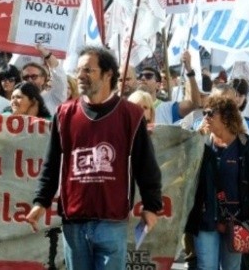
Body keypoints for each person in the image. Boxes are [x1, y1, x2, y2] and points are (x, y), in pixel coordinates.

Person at [26, 46, 162, 270]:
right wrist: (41, 201)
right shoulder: (64, 113)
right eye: (79, 70)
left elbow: (145, 165)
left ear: (108, 74)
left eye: (88, 70)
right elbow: (52, 164)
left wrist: (151, 205)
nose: (80, 76)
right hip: (74, 220)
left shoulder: (131, 115)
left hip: (112, 220)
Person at [184, 95, 249, 270]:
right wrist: (199, 139)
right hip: (205, 218)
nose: (206, 118)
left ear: (226, 117)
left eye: (210, 113)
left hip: (237, 219)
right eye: (204, 113)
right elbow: (186, 174)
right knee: (206, 266)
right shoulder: (201, 143)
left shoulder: (245, 146)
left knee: (232, 267)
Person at [137, 50, 201, 125]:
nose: (143, 78)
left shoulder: (169, 109)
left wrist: (189, 71)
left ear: (158, 85)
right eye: (140, 76)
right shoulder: (128, 108)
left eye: (148, 76)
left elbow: (194, 104)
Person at [20, 44, 68, 115]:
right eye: (26, 78)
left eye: (34, 77)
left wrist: (46, 53)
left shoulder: (54, 96)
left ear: (43, 79)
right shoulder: (17, 100)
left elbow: (58, 73)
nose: (30, 80)